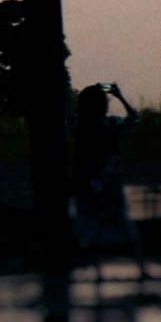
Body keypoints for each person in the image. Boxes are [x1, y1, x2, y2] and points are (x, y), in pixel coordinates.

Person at [70, 84, 137, 251]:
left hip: (86, 183)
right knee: (117, 224)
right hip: (111, 184)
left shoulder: (79, 125)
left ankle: (92, 258)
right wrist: (119, 96)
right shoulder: (112, 124)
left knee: (88, 225)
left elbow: (68, 117)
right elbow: (134, 118)